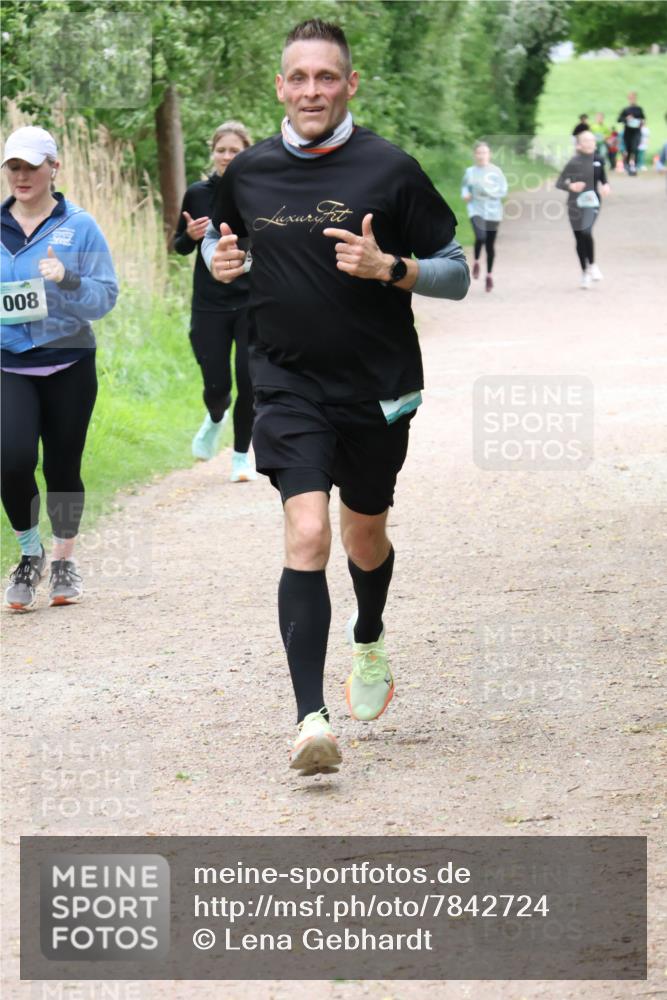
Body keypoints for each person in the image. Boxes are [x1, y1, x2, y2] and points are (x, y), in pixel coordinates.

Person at [202, 18, 469, 776]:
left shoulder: (391, 169)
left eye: (326, 77)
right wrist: (225, 267)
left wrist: (391, 268)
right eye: (298, 78)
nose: (311, 90)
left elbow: (454, 271)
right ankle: (308, 719)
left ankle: (370, 632)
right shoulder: (245, 174)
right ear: (280, 86)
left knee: (362, 536)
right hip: (285, 383)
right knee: (308, 533)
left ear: (349, 84)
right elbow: (233, 256)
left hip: (376, 389)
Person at [1, 125, 118, 610]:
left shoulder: (80, 226)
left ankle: (65, 560)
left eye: (31, 166)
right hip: (8, 364)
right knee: (11, 459)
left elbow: (104, 298)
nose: (22, 175)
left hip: (69, 362)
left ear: (54, 167)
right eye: (14, 167)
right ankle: (30, 555)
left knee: (62, 465)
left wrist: (68, 279)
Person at [173, 121, 256, 481]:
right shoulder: (196, 194)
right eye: (221, 150)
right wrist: (189, 236)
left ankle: (240, 458)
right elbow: (178, 246)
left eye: (234, 151)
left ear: (245, 154)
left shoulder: (258, 192)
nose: (226, 156)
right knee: (217, 386)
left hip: (251, 300)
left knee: (250, 381)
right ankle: (216, 415)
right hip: (209, 302)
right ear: (213, 152)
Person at [555, 129, 611, 289]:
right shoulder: (574, 162)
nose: (590, 143)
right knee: (579, 237)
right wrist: (570, 186)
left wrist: (606, 186)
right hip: (575, 203)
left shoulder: (599, 159)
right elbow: (559, 182)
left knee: (586, 231)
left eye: (592, 140)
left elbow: (603, 179)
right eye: (586, 141)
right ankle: (584, 272)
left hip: (593, 202)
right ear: (579, 145)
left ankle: (592, 265)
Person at [461, 141, 508, 292]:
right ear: (475, 155)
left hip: (493, 212)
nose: (481, 155)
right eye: (479, 153)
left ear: (489, 154)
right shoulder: (470, 172)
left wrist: (489, 192)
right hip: (476, 210)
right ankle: (475, 261)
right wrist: (466, 194)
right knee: (480, 237)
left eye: (484, 152)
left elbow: (503, 191)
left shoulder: (496, 172)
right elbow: (464, 187)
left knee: (490, 245)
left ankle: (489, 275)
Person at [618, 92, 646, 175]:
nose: (632, 99)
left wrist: (641, 122)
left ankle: (635, 165)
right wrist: (626, 119)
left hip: (637, 132)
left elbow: (643, 119)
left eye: (633, 97)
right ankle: (627, 165)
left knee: (635, 148)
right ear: (628, 99)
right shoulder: (626, 109)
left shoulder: (639, 109)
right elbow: (619, 119)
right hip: (628, 132)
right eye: (630, 97)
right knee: (629, 149)